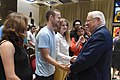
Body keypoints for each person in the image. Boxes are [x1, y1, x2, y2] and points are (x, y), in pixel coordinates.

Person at [69, 11, 113, 80]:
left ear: (98, 20)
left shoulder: (100, 35)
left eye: (88, 21)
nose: (86, 24)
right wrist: (78, 58)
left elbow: (87, 59)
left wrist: (71, 68)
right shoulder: (103, 32)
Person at [35, 9, 69, 80]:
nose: (60, 20)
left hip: (50, 71)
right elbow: (46, 57)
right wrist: (62, 66)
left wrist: (69, 59)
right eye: (58, 18)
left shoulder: (53, 33)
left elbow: (54, 53)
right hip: (43, 74)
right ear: (51, 17)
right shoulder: (44, 34)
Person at [0, 12, 32, 80]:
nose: (26, 30)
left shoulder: (18, 43)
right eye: (25, 27)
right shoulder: (7, 45)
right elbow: (10, 77)